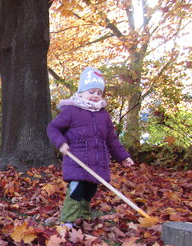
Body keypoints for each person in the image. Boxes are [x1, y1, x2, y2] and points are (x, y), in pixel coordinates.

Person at [46, 67, 134, 228]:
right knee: (76, 190)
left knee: (89, 191)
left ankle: (83, 216)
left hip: (97, 162)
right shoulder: (71, 111)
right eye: (91, 91)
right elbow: (53, 128)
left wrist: (123, 157)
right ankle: (67, 221)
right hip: (77, 160)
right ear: (80, 92)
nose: (95, 96)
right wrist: (61, 143)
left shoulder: (103, 115)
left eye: (99, 93)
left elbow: (111, 139)